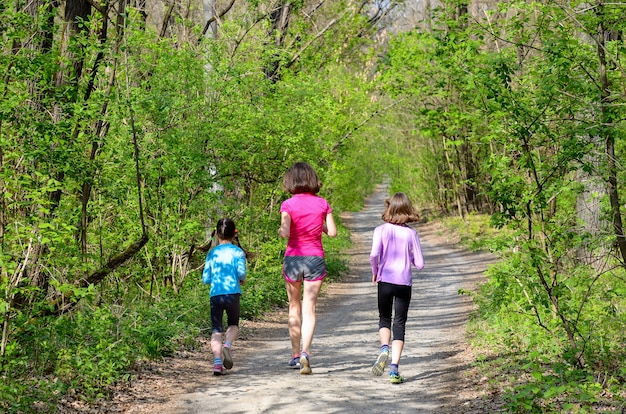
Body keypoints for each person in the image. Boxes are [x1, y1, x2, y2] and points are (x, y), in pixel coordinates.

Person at [278, 162, 337, 375]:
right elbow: (332, 232)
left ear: (291, 181)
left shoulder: (288, 205)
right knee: (309, 308)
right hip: (315, 257)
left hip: (293, 257)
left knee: (294, 306)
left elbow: (284, 232)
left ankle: (294, 356)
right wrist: (317, 224)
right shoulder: (323, 203)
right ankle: (305, 353)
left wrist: (282, 228)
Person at [369, 192, 424, 384]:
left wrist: (375, 271)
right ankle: (394, 370)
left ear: (389, 208)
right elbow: (420, 263)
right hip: (404, 283)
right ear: (408, 210)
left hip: (385, 281)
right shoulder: (411, 233)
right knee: (399, 324)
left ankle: (384, 348)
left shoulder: (380, 230)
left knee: (384, 318)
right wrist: (409, 257)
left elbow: (374, 254)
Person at [202, 218, 247, 376]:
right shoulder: (238, 252)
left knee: (216, 330)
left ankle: (217, 362)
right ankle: (227, 345)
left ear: (217, 234)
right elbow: (241, 273)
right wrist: (240, 279)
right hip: (233, 293)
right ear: (234, 234)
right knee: (233, 324)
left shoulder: (212, 253)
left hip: (216, 295)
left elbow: (205, 278)